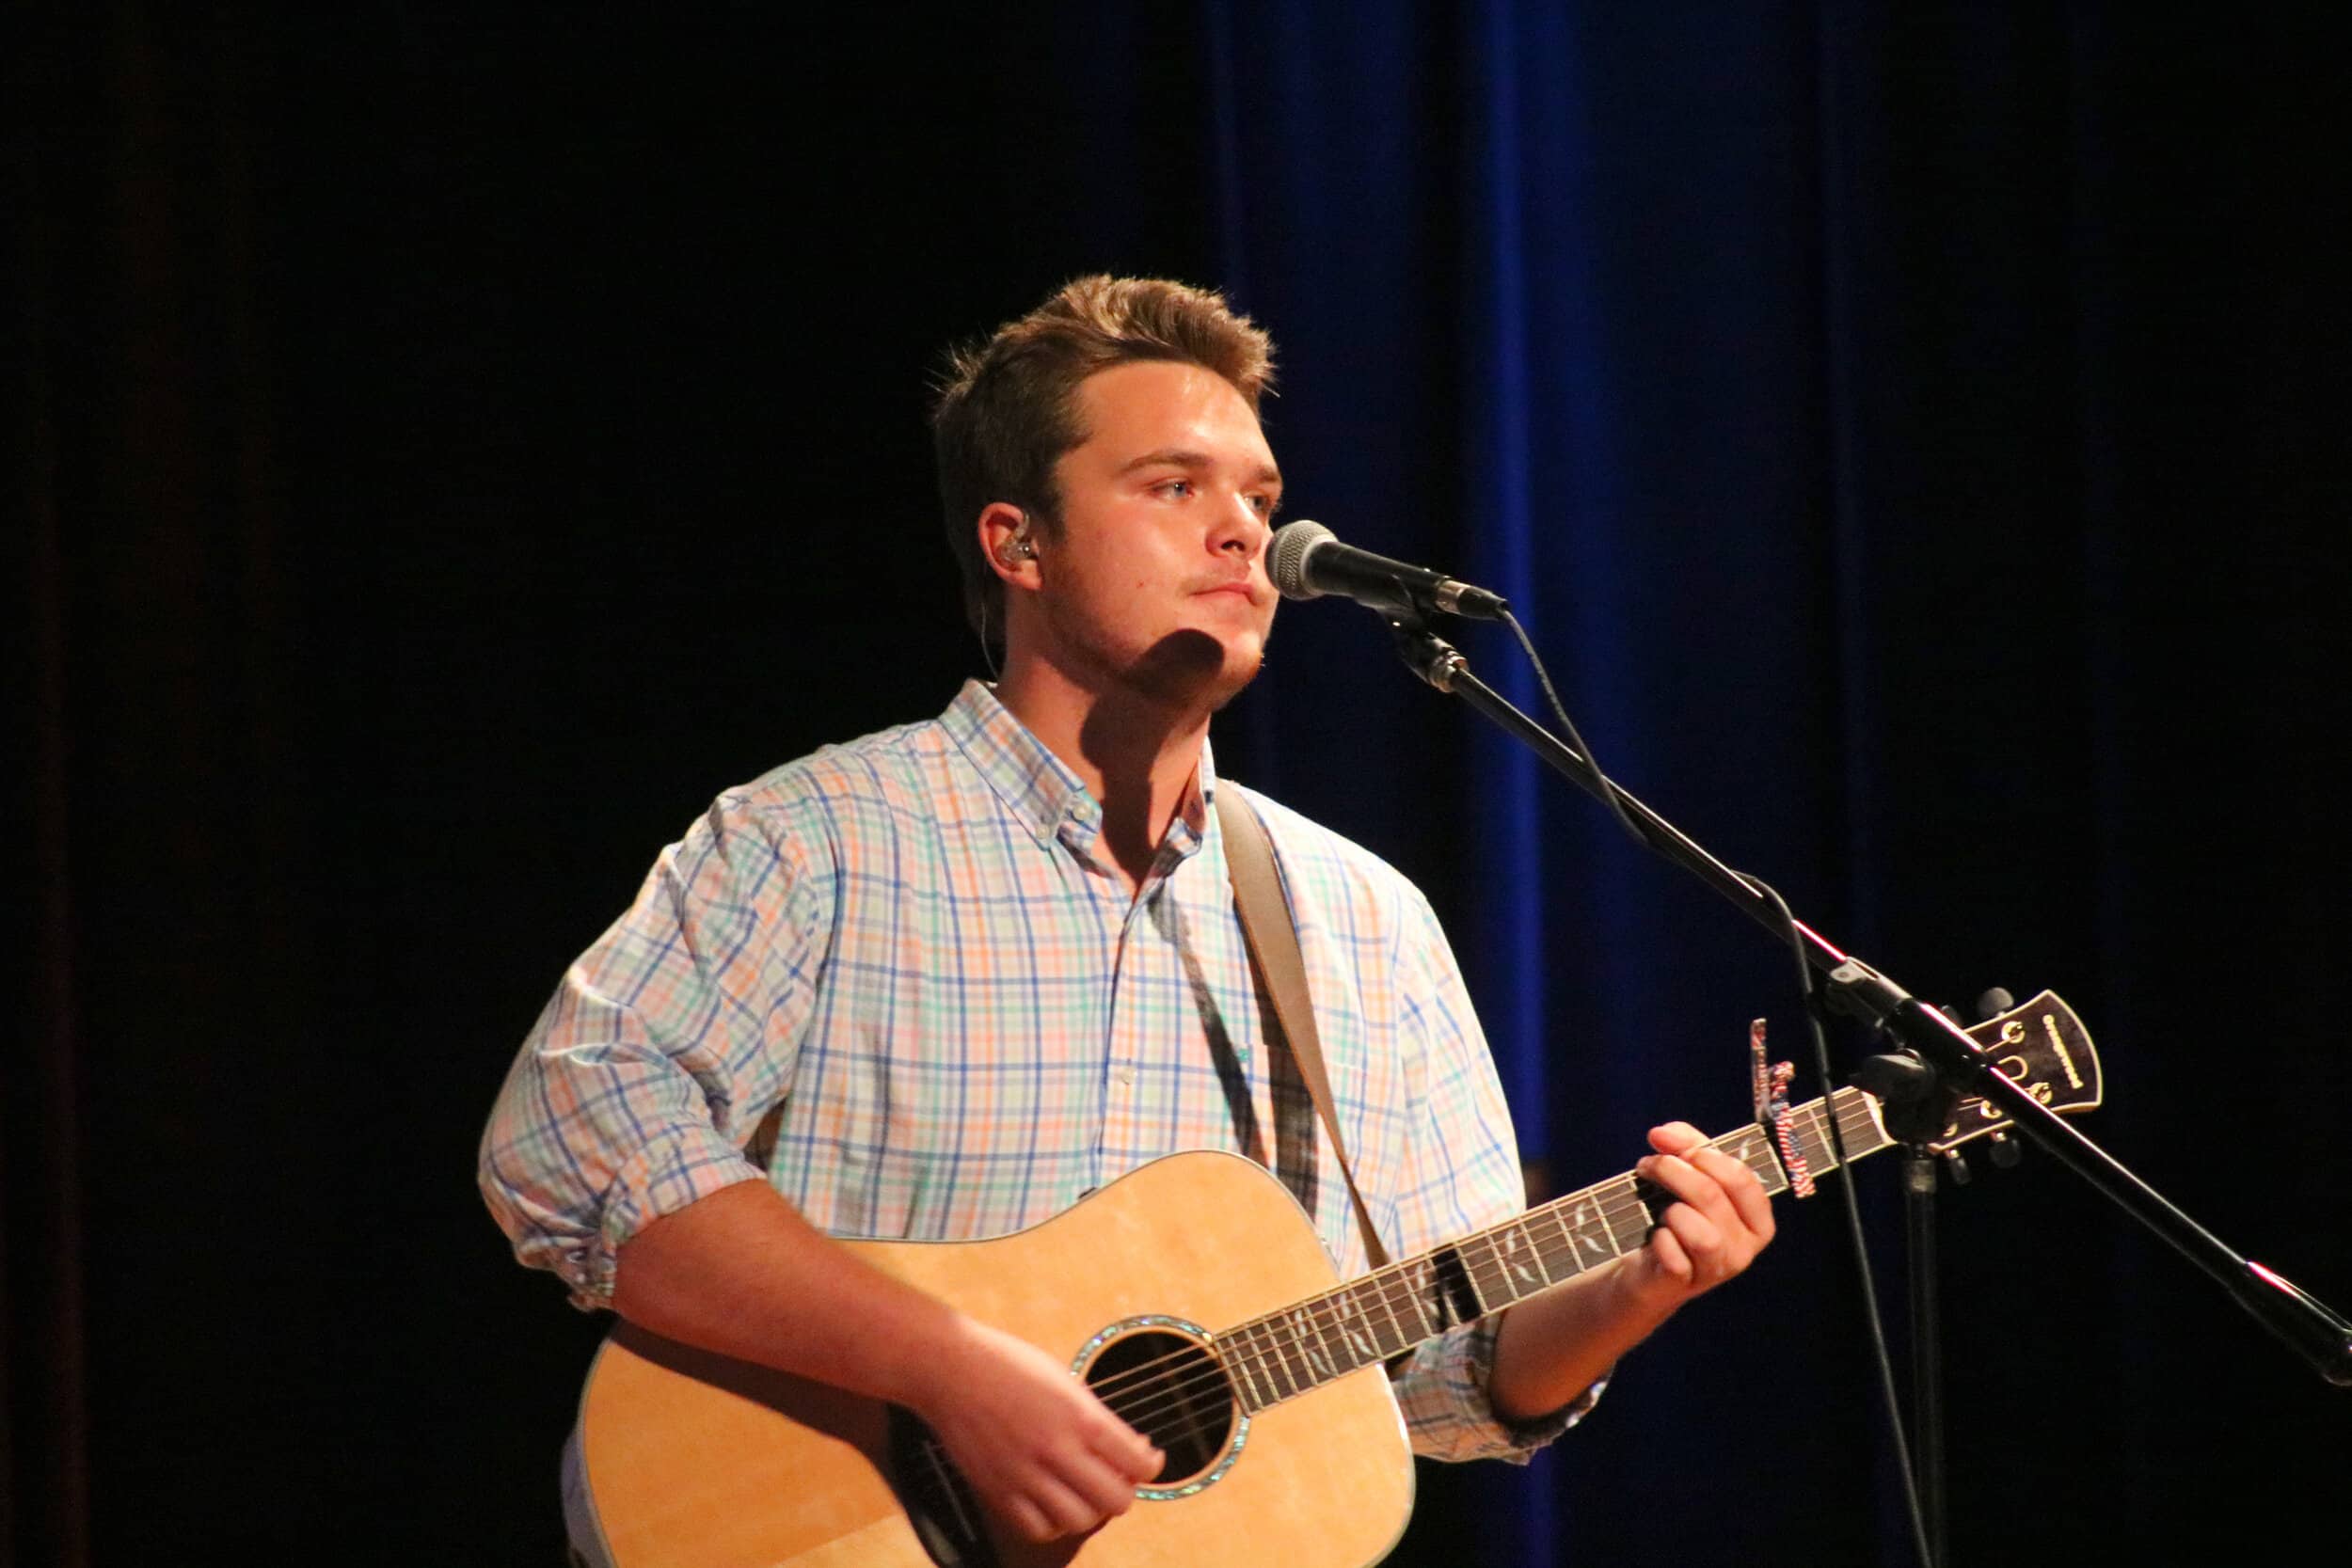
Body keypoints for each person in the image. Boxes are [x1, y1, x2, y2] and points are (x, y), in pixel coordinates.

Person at [478, 276, 1774, 1556]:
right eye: (1174, 487)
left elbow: (1444, 1379)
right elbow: (572, 1128)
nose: (1245, 536)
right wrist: (945, 1366)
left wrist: (1628, 1290)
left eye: (1260, 499)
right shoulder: (819, 842)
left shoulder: (1359, 921)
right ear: (1016, 543)